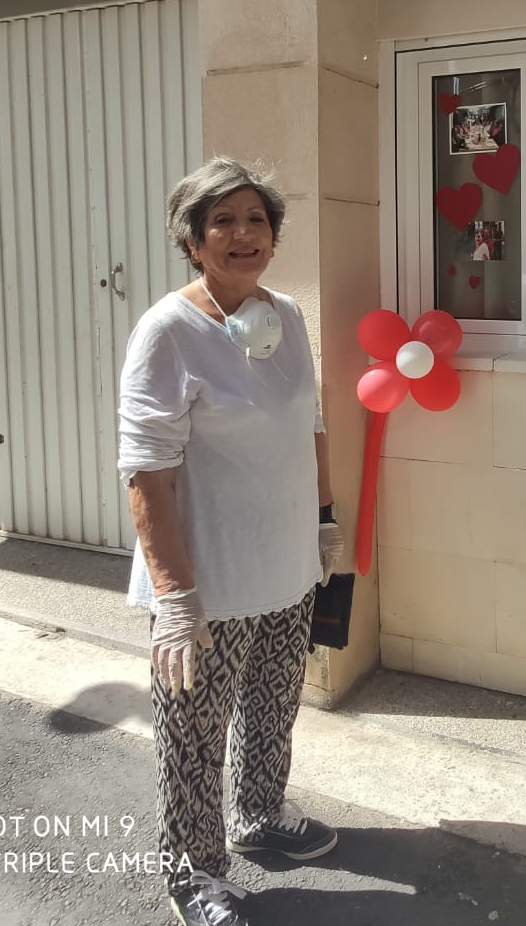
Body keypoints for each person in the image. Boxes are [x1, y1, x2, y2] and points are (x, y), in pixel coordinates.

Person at [119, 157, 343, 926]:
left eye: (256, 219)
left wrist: (324, 519)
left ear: (274, 236)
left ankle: (258, 811)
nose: (243, 233)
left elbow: (311, 421)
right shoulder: (168, 330)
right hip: (207, 582)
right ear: (193, 238)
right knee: (193, 735)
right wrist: (176, 598)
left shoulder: (286, 313)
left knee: (275, 705)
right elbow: (145, 472)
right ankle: (193, 872)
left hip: (285, 568)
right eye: (224, 221)